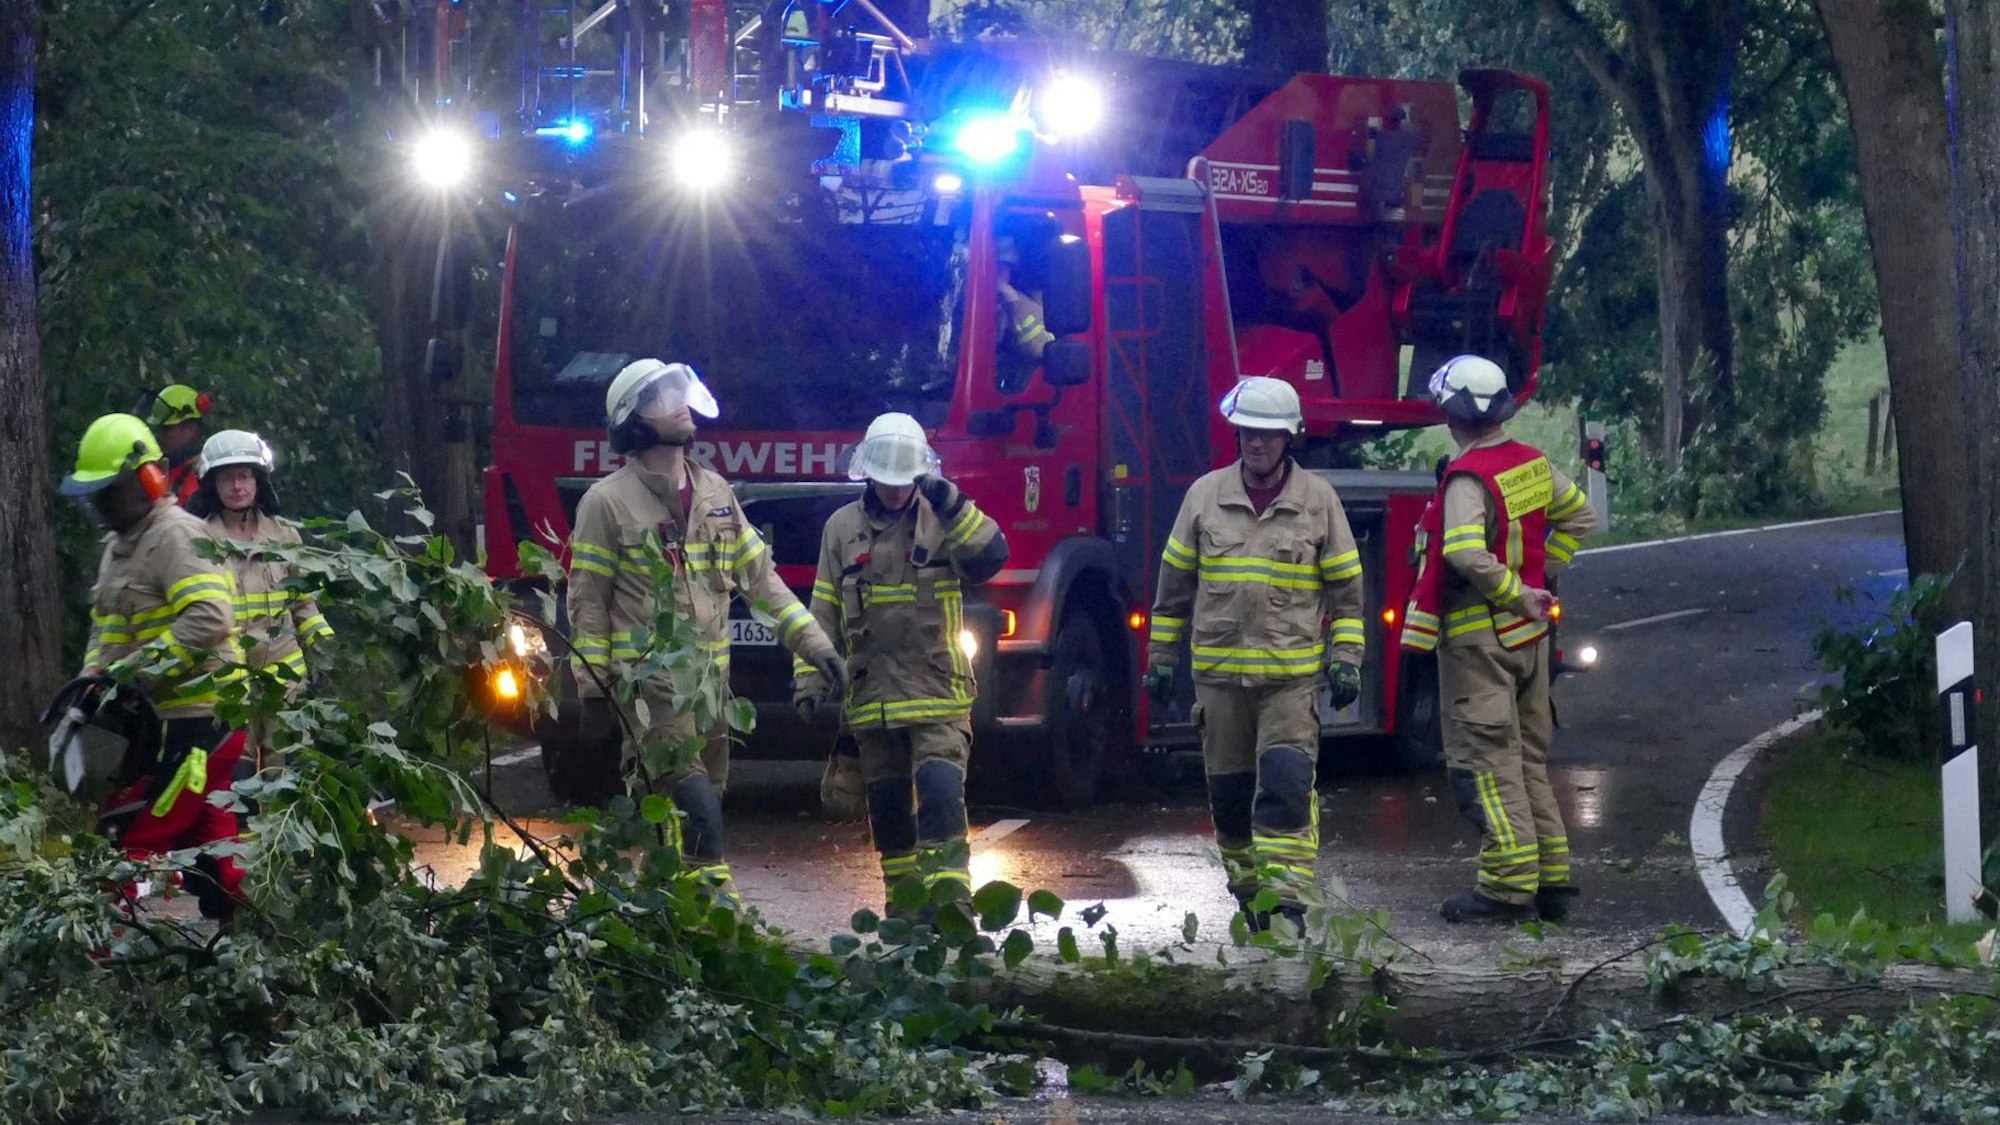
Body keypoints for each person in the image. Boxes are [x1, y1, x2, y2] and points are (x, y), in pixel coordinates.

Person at [566, 359, 846, 905]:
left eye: (680, 393)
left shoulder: (716, 492)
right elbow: (588, 607)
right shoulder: (605, 503)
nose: (681, 405)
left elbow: (763, 584)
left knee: (692, 814)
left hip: (711, 689)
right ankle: (716, 920)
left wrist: (818, 647)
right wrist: (591, 691)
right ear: (635, 422)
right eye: (663, 399)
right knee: (696, 808)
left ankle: (668, 923)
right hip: (648, 693)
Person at [1143, 376, 1365, 932]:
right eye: (1246, 433)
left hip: (1289, 684)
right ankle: (1249, 899)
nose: (1255, 443)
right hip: (1219, 684)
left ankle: (1286, 911)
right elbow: (1172, 590)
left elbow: (1347, 595)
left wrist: (1346, 657)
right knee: (1232, 801)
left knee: (1287, 790)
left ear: (1288, 438)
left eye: (1267, 434)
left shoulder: (1318, 502)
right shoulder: (1204, 497)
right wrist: (1161, 656)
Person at [1399, 355, 1599, 924]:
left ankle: (1507, 888)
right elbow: (1580, 518)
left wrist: (1513, 591)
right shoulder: (1531, 465)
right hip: (1529, 640)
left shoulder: (1468, 477)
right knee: (1529, 762)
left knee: (1486, 767)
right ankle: (1551, 880)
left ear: (1451, 412)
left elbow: (1461, 550)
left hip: (1479, 643)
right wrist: (1540, 585)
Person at [793, 412, 1008, 912]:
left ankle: (951, 905)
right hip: (872, 700)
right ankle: (905, 909)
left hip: (937, 692)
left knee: (939, 791)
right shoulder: (841, 529)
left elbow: (991, 557)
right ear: (866, 473)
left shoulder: (947, 517)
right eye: (885, 482)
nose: (894, 492)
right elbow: (822, 611)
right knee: (888, 811)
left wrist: (952, 502)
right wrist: (809, 679)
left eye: (903, 482)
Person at [60, 413, 245, 920]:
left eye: (110, 491)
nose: (100, 504)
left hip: (204, 716)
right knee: (208, 832)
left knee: (136, 829)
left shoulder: (176, 537)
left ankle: (97, 941)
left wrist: (131, 675)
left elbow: (210, 618)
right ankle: (256, 922)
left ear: (147, 479)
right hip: (161, 720)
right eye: (94, 493)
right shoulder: (118, 548)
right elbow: (108, 629)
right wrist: (92, 682)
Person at [186, 429, 333, 767]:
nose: (237, 487)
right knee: (234, 779)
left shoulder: (283, 536)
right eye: (227, 479)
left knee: (287, 774)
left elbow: (304, 603)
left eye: (244, 477)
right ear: (212, 485)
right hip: (228, 679)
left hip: (284, 678)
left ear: (258, 482)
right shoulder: (199, 541)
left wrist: (325, 651)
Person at [138, 384, 213, 505]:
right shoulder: (164, 469)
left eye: (166, 428)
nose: (160, 435)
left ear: (191, 429)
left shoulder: (203, 476)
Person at [996, 235, 1054, 364]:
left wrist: (1012, 310)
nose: (1000, 272)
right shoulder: (955, 301)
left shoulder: (1021, 301)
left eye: (1005, 266)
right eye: (997, 266)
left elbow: (1043, 351)